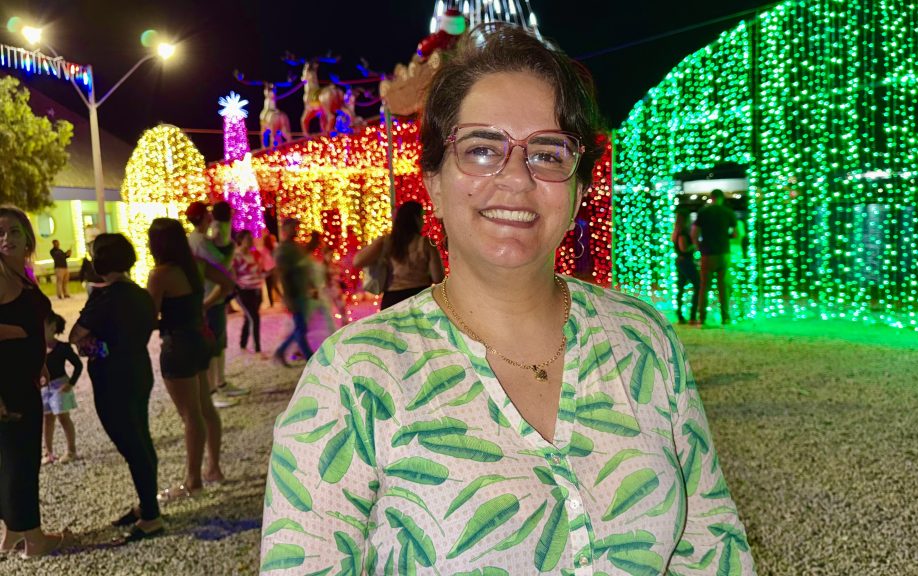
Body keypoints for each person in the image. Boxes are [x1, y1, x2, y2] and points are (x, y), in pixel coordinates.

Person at [260, 24, 754, 575]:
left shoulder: (642, 339)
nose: (516, 177)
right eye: (481, 149)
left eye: (548, 153)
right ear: (435, 183)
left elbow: (713, 550)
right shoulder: (354, 378)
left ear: (579, 189)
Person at [69, 233, 165, 543]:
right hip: (138, 369)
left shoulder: (105, 298)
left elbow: (75, 335)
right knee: (141, 439)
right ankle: (147, 505)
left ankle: (151, 517)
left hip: (112, 378)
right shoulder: (139, 294)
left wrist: (95, 346)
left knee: (131, 445)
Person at [147, 218, 233, 501]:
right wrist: (203, 306)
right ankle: (214, 468)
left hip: (177, 344)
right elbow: (227, 283)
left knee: (190, 414)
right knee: (205, 407)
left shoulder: (160, 275)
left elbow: (150, 316)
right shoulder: (196, 264)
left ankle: (193, 481)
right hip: (199, 339)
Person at [0, 206, 68, 557]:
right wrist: (14, 332)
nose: (6, 238)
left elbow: (30, 322)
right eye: (0, 233)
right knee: (21, 462)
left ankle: (13, 533)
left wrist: (39, 359)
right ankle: (35, 540)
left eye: (14, 231)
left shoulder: (21, 274)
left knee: (15, 459)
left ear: (27, 236)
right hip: (6, 384)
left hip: (23, 378)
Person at [186, 201, 247, 406]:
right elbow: (222, 263)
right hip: (210, 297)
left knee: (219, 344)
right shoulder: (199, 240)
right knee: (213, 346)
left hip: (214, 296)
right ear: (204, 217)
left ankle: (220, 384)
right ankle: (213, 390)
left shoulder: (201, 239)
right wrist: (231, 248)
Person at [354, 201, 444, 309]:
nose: (423, 222)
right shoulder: (425, 243)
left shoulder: (387, 241)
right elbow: (438, 278)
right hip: (420, 298)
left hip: (392, 299)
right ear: (416, 219)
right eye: (422, 217)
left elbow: (357, 261)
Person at [691, 189, 742, 326]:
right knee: (723, 287)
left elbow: (694, 233)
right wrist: (725, 236)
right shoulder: (728, 212)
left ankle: (702, 318)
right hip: (724, 253)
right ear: (721, 198)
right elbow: (736, 234)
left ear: (711, 197)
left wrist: (698, 246)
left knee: (704, 287)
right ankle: (725, 317)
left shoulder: (703, 212)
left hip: (707, 253)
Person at [41, 312, 81, 465]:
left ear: (52, 327)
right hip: (44, 388)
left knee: (63, 418)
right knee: (47, 419)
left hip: (60, 386)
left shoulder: (63, 348)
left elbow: (78, 365)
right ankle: (48, 452)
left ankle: (71, 450)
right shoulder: (37, 349)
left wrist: (70, 383)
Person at [273, 217, 313, 366]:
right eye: (292, 227)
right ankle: (309, 358)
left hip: (301, 293)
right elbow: (283, 275)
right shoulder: (283, 250)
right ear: (284, 230)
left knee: (301, 327)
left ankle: (282, 351)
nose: (295, 230)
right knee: (301, 328)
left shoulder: (295, 247)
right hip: (294, 295)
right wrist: (288, 297)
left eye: (296, 227)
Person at [231, 230, 266, 353]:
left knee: (249, 317)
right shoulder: (236, 255)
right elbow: (233, 275)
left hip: (256, 290)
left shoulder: (253, 254)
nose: (251, 241)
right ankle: (257, 348)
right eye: (248, 239)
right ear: (241, 240)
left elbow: (258, 272)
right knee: (254, 318)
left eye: (251, 238)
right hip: (243, 291)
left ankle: (243, 342)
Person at [672, 209, 700, 324]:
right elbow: (684, 248)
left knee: (681, 287)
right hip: (686, 262)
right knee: (698, 286)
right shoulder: (683, 233)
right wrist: (695, 245)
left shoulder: (677, 232)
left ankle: (680, 315)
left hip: (681, 262)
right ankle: (692, 316)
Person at [305, 231, 337, 331]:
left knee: (326, 313)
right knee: (308, 316)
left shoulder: (321, 254)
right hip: (315, 290)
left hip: (320, 290)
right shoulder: (309, 255)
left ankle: (331, 331)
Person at [257, 233, 280, 307]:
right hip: (268, 270)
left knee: (274, 286)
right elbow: (262, 261)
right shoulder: (264, 250)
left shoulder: (275, 247)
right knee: (270, 286)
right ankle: (272, 302)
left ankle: (280, 299)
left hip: (273, 269)